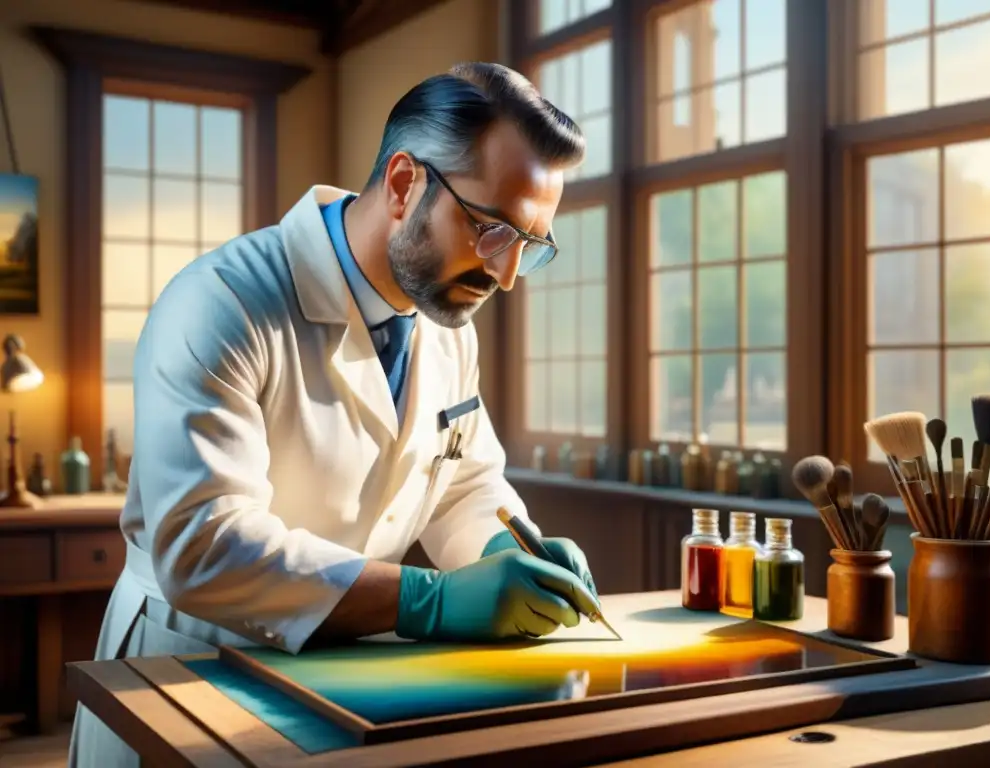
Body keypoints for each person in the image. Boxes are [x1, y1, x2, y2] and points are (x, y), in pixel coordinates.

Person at [69, 62, 599, 767]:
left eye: (530, 248)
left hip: (342, 681)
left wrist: (512, 551)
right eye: (493, 231)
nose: (505, 276)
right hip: (189, 668)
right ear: (406, 185)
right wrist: (428, 600)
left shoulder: (448, 329)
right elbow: (203, 545)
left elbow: (465, 485)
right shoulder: (221, 303)